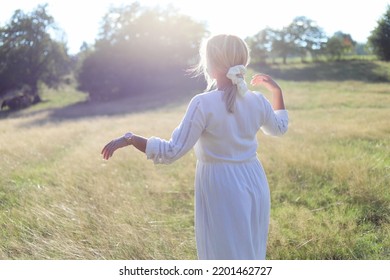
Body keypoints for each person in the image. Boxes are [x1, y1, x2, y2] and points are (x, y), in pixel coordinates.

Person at [101, 34, 288, 260]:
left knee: (222, 257)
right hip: (255, 180)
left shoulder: (203, 103)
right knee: (251, 251)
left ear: (210, 65)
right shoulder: (257, 101)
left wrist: (131, 138)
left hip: (222, 184)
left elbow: (171, 152)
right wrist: (277, 93)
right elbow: (279, 128)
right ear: (243, 62)